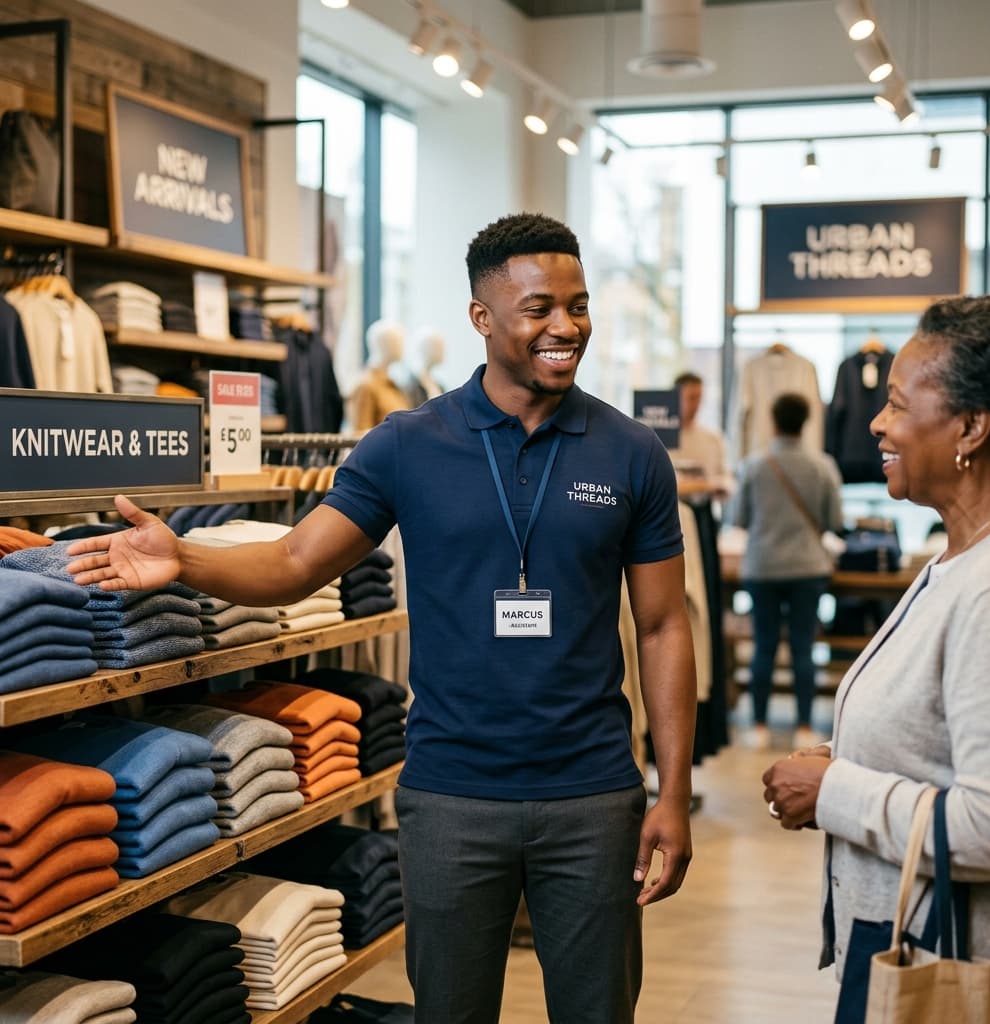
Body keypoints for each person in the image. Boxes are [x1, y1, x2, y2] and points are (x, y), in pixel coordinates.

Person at [66, 211, 698, 1024]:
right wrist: (184, 558)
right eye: (539, 308)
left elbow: (663, 627)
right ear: (482, 316)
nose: (565, 327)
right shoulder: (408, 443)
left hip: (593, 797)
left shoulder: (630, 451)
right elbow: (297, 562)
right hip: (450, 798)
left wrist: (671, 793)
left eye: (577, 306)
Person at [761, 295, 990, 1024]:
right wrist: (847, 756)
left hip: (958, 967)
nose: (876, 423)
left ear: (971, 427)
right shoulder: (961, 561)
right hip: (908, 936)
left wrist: (835, 790)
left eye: (899, 405)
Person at [727, 392, 843, 751]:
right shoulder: (823, 466)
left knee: (763, 646)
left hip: (762, 566)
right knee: (802, 647)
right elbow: (833, 522)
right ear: (806, 422)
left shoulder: (754, 466)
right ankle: (805, 726)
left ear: (774, 421)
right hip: (808, 567)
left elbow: (738, 519)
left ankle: (759, 725)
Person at [672, 371, 731, 494]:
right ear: (675, 397)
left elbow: (726, 479)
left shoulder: (713, 438)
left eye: (699, 397)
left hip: (704, 509)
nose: (697, 404)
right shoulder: (657, 439)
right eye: (691, 397)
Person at [350, 319, 411, 431]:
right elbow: (360, 434)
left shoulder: (393, 385)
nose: (402, 346)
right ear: (384, 344)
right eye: (397, 341)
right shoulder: (366, 385)